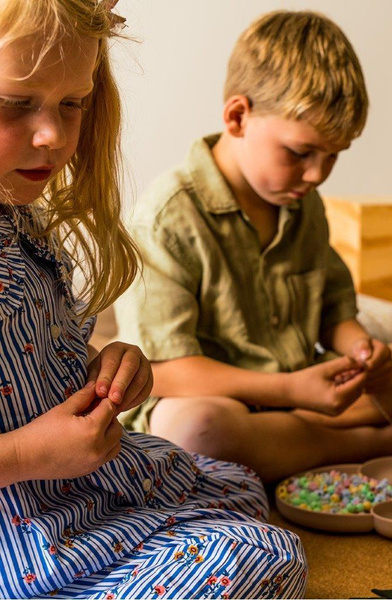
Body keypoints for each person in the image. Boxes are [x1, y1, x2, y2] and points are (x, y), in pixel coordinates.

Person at [0, 1, 306, 598]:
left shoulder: (18, 214)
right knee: (263, 558)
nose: (53, 135)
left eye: (73, 103)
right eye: (14, 103)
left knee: (242, 489)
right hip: (24, 526)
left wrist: (105, 369)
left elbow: (32, 358)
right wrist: (26, 455)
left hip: (78, 481)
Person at [115, 10, 392, 485]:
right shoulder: (166, 217)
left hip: (306, 386)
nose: (317, 175)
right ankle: (377, 442)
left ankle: (296, 440)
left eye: (333, 156)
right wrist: (288, 390)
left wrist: (360, 349)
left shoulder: (303, 203)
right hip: (222, 401)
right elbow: (163, 371)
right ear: (238, 117)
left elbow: (334, 310)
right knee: (195, 430)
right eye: (301, 152)